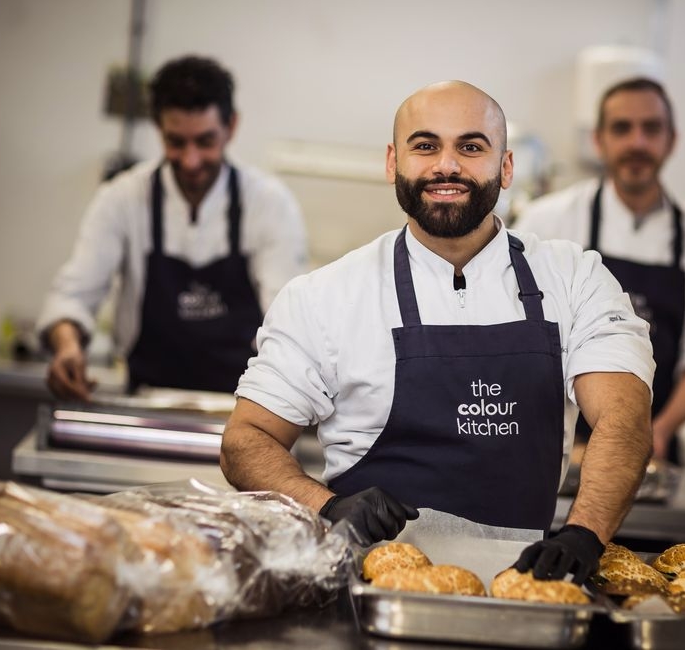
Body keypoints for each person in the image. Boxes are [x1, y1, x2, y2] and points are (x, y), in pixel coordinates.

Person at [220, 80, 655, 584]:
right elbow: (245, 440)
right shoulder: (325, 296)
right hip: (366, 591)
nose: (446, 165)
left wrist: (585, 533)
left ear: (506, 167)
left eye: (471, 147)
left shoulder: (575, 278)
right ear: (392, 163)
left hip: (522, 588)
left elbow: (624, 417)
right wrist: (328, 505)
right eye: (425, 146)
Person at [37, 55, 308, 400]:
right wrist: (67, 346)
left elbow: (286, 318)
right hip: (145, 399)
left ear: (231, 127)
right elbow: (72, 295)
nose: (190, 160)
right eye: (175, 142)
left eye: (205, 142)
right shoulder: (121, 199)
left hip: (242, 407)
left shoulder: (269, 204)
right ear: (158, 130)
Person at [512, 78, 685, 464]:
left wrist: (655, 433)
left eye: (651, 128)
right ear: (599, 140)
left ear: (671, 140)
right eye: (621, 128)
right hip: (558, 448)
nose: (637, 143)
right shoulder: (546, 221)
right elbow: (516, 339)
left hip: (653, 452)